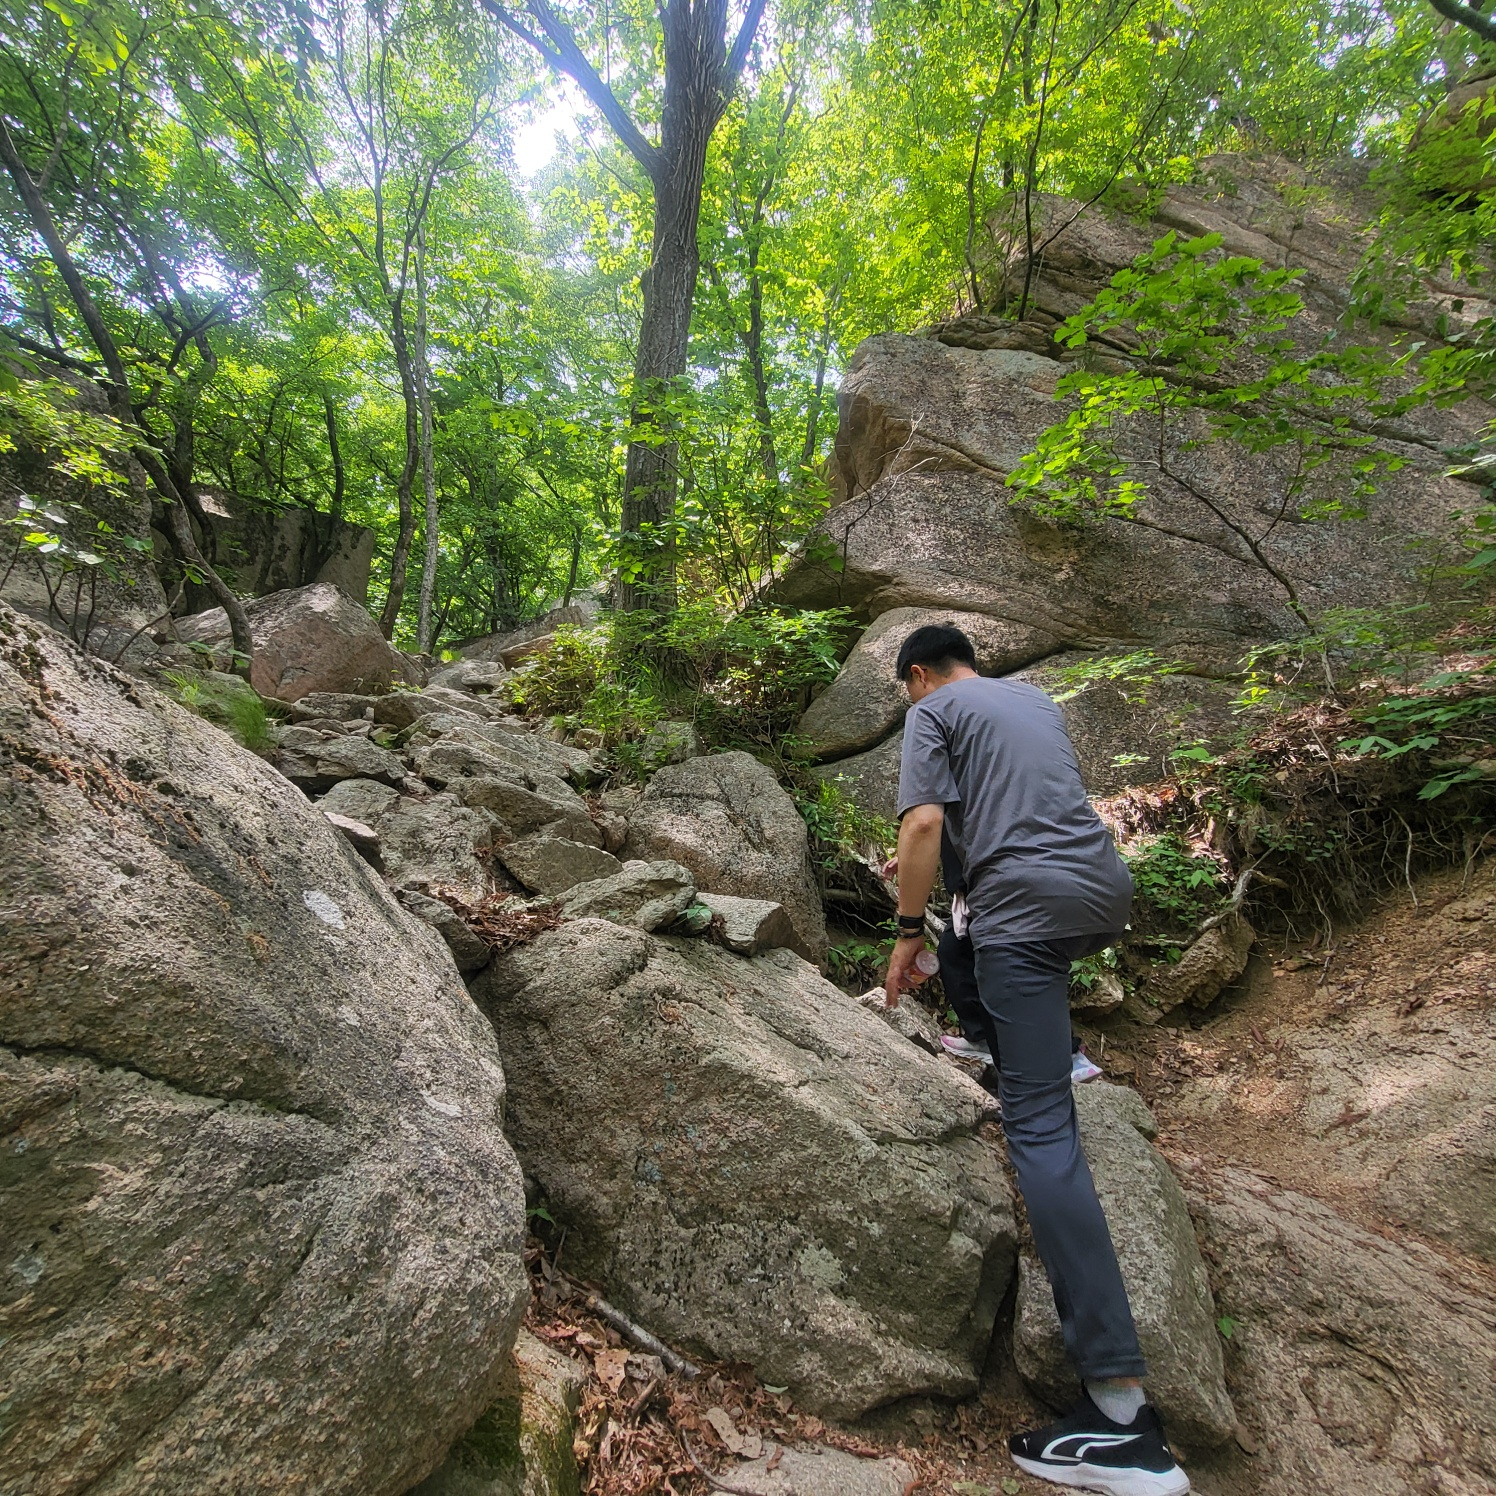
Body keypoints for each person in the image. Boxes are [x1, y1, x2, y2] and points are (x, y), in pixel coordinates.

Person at [883, 624, 1189, 1496]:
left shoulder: (932, 709)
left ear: (918, 674)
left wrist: (906, 934)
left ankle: (1124, 1418)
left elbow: (925, 827)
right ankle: (1041, 1047)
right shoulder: (1031, 699)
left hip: (1022, 900)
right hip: (1097, 889)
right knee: (971, 939)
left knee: (1040, 1131)